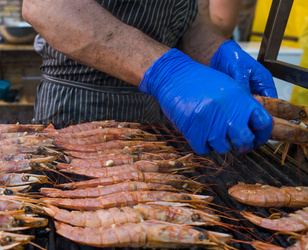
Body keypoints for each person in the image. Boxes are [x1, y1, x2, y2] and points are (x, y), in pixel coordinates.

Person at [22, 0, 277, 156]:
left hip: (158, 111)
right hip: (76, 106)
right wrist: (166, 71)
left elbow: (193, 23)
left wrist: (217, 50)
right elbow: (45, 6)